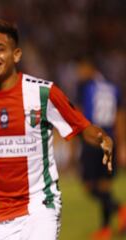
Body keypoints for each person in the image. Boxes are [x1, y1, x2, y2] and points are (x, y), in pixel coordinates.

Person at [0, 19, 113, 240]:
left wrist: (103, 138)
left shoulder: (43, 93)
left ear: (17, 55)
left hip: (40, 206)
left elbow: (82, 127)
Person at [75, 57, 126, 239]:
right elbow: (119, 118)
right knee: (104, 187)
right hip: (109, 140)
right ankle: (105, 229)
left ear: (90, 68)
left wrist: (78, 140)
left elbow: (79, 115)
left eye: (81, 68)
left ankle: (120, 209)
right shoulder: (113, 88)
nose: (79, 73)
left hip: (92, 139)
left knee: (89, 186)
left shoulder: (84, 86)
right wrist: (121, 146)